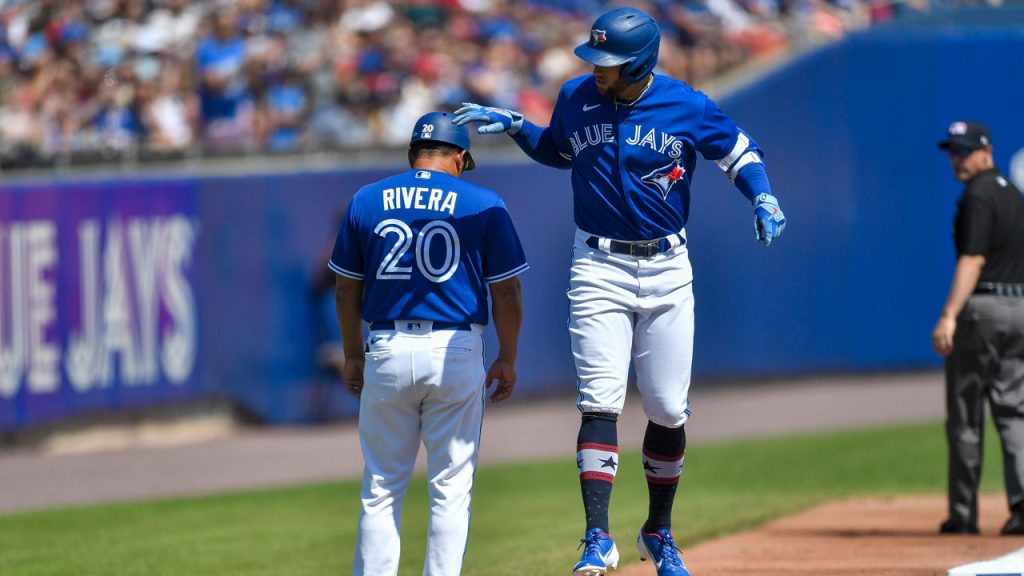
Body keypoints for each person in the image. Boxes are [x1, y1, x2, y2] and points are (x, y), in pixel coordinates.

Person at [454, 7, 785, 576]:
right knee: (600, 400)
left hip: (667, 267)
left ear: (642, 62)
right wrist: (516, 127)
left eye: (609, 62)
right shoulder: (576, 96)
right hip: (598, 265)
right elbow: (559, 151)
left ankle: (658, 532)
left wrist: (762, 195)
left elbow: (740, 154)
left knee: (667, 408)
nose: (597, 69)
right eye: (596, 58)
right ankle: (596, 538)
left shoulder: (687, 104)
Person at [329, 111, 527, 575]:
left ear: (413, 154)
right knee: (450, 490)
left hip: (386, 346)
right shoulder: (482, 201)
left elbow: (345, 287)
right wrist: (509, 357)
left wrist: (352, 354)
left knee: (381, 486)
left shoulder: (368, 198)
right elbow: (506, 290)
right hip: (456, 348)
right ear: (459, 156)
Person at [932, 120, 1024, 536]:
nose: (957, 159)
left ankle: (964, 516)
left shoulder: (979, 195)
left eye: (964, 151)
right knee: (1014, 411)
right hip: (1020, 306)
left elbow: (972, 259)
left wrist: (950, 313)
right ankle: (1022, 507)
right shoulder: (1013, 194)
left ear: (986, 151)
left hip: (983, 310)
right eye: (953, 151)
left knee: (966, 417)